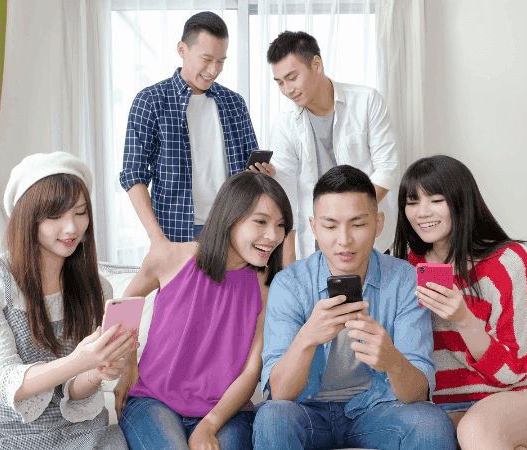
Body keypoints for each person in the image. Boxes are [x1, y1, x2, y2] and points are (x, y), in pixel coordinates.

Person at [0, 152, 135, 449]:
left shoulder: (97, 288)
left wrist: (94, 373)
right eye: (55, 216)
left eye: (80, 213)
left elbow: (74, 391)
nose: (72, 228)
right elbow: (4, 381)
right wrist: (80, 360)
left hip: (76, 435)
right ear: (27, 218)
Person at [254, 165, 456, 450]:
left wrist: (393, 361)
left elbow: (418, 394)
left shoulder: (405, 280)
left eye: (358, 224)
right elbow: (280, 394)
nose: (344, 240)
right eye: (330, 226)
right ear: (314, 227)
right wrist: (307, 339)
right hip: (308, 412)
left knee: (431, 423)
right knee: (273, 418)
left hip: (377, 410)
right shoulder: (290, 284)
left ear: (378, 224)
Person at [393, 155, 527, 450]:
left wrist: (464, 319)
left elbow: (516, 370)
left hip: (516, 397)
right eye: (412, 202)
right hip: (443, 409)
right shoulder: (404, 266)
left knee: (476, 429)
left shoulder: (506, 262)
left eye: (436, 200)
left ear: (462, 202)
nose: (422, 212)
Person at [113, 170, 293, 449]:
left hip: (225, 413)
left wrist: (209, 425)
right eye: (261, 221)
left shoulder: (268, 286)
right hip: (153, 401)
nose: (272, 236)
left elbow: (251, 371)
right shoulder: (170, 257)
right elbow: (125, 304)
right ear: (230, 217)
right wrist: (128, 365)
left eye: (281, 225)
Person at [120, 11, 274, 244]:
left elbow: (248, 172)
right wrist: (157, 239)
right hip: (175, 233)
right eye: (206, 59)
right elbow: (134, 175)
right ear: (182, 49)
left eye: (221, 61)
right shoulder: (151, 101)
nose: (213, 70)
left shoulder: (234, 103)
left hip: (232, 227)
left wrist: (263, 176)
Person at [267, 31, 398, 265]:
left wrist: (348, 214)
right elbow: (285, 200)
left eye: (292, 78)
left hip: (371, 238)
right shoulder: (284, 127)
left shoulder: (367, 101)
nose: (287, 90)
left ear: (316, 64)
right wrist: (288, 264)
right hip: (315, 247)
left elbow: (387, 169)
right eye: (280, 83)